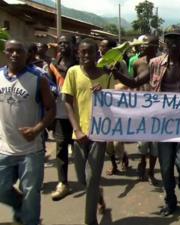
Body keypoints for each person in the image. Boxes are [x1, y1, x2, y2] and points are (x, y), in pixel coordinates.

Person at [112, 26, 180, 216]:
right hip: (162, 124)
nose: (174, 43)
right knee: (166, 166)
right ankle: (170, 200)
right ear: (165, 43)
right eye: (170, 39)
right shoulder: (155, 63)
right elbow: (135, 82)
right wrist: (117, 74)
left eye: (178, 39)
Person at [0, 40, 56, 225]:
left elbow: (51, 109)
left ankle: (30, 220)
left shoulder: (38, 79)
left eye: (19, 51)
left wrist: (36, 129)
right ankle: (20, 207)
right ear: (5, 53)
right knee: (2, 189)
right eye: (10, 51)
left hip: (31, 149)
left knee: (31, 193)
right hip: (4, 147)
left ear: (27, 54)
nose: (14, 54)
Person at [62, 38, 112, 225]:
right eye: (82, 52)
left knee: (91, 179)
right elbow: (67, 102)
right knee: (83, 180)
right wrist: (77, 129)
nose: (86, 56)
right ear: (78, 53)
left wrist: (104, 93)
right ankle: (98, 195)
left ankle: (90, 220)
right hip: (79, 135)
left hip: (99, 135)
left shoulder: (106, 76)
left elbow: (114, 104)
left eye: (90, 52)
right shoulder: (73, 72)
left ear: (96, 54)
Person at [48, 35, 78, 201]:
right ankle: (63, 183)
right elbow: (50, 85)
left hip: (79, 114)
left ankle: (90, 184)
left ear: (74, 45)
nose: (63, 45)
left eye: (66, 42)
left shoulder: (81, 64)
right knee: (60, 149)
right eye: (60, 43)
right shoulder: (52, 65)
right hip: (60, 113)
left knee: (81, 151)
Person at [98, 38, 130, 176]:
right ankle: (113, 164)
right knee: (108, 142)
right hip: (103, 106)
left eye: (104, 47)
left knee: (117, 141)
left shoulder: (120, 63)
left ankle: (122, 158)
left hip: (117, 105)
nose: (101, 49)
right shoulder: (98, 64)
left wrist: (112, 89)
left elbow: (127, 81)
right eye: (101, 47)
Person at [132, 35, 160, 185]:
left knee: (155, 145)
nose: (142, 46)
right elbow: (133, 82)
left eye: (146, 44)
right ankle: (142, 162)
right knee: (142, 143)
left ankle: (151, 171)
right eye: (142, 44)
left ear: (155, 46)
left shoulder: (162, 63)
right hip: (142, 108)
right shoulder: (137, 63)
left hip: (157, 109)